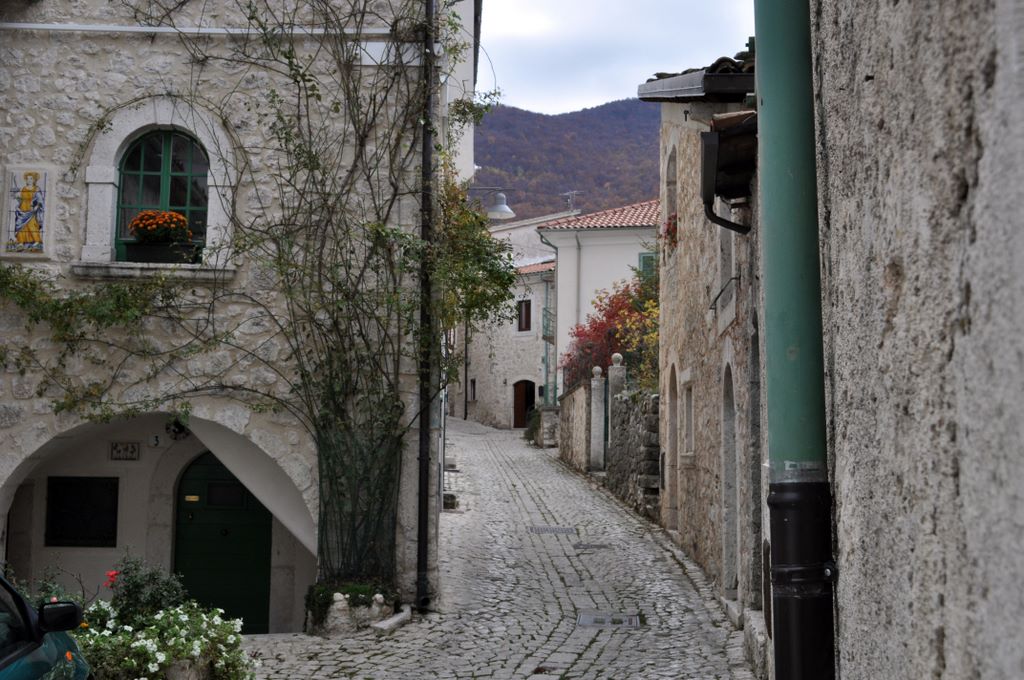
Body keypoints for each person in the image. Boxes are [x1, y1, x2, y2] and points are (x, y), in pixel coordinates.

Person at [12, 171, 44, 250]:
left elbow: (40, 201)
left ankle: (37, 241)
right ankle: (21, 242)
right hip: (22, 209)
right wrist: (17, 204)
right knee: (21, 226)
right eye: (27, 178)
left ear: (34, 180)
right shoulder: (23, 189)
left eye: (31, 178)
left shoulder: (36, 189)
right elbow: (21, 199)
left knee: (32, 225)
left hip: (31, 210)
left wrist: (36, 207)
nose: (29, 180)